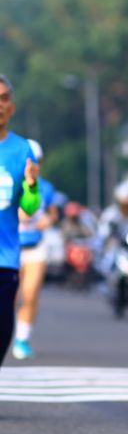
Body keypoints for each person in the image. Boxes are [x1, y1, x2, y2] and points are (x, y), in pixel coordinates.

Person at [0, 74, 40, 366]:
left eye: (4, 99)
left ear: (12, 107)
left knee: (3, 329)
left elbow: (28, 209)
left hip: (5, 258)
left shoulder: (22, 150)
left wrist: (32, 186)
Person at [13, 140, 58, 360]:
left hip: (35, 249)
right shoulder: (9, 184)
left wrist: (47, 220)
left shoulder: (46, 188)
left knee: (30, 295)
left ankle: (21, 339)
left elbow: (53, 214)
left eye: (36, 161)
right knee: (10, 297)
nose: (32, 165)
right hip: (10, 248)